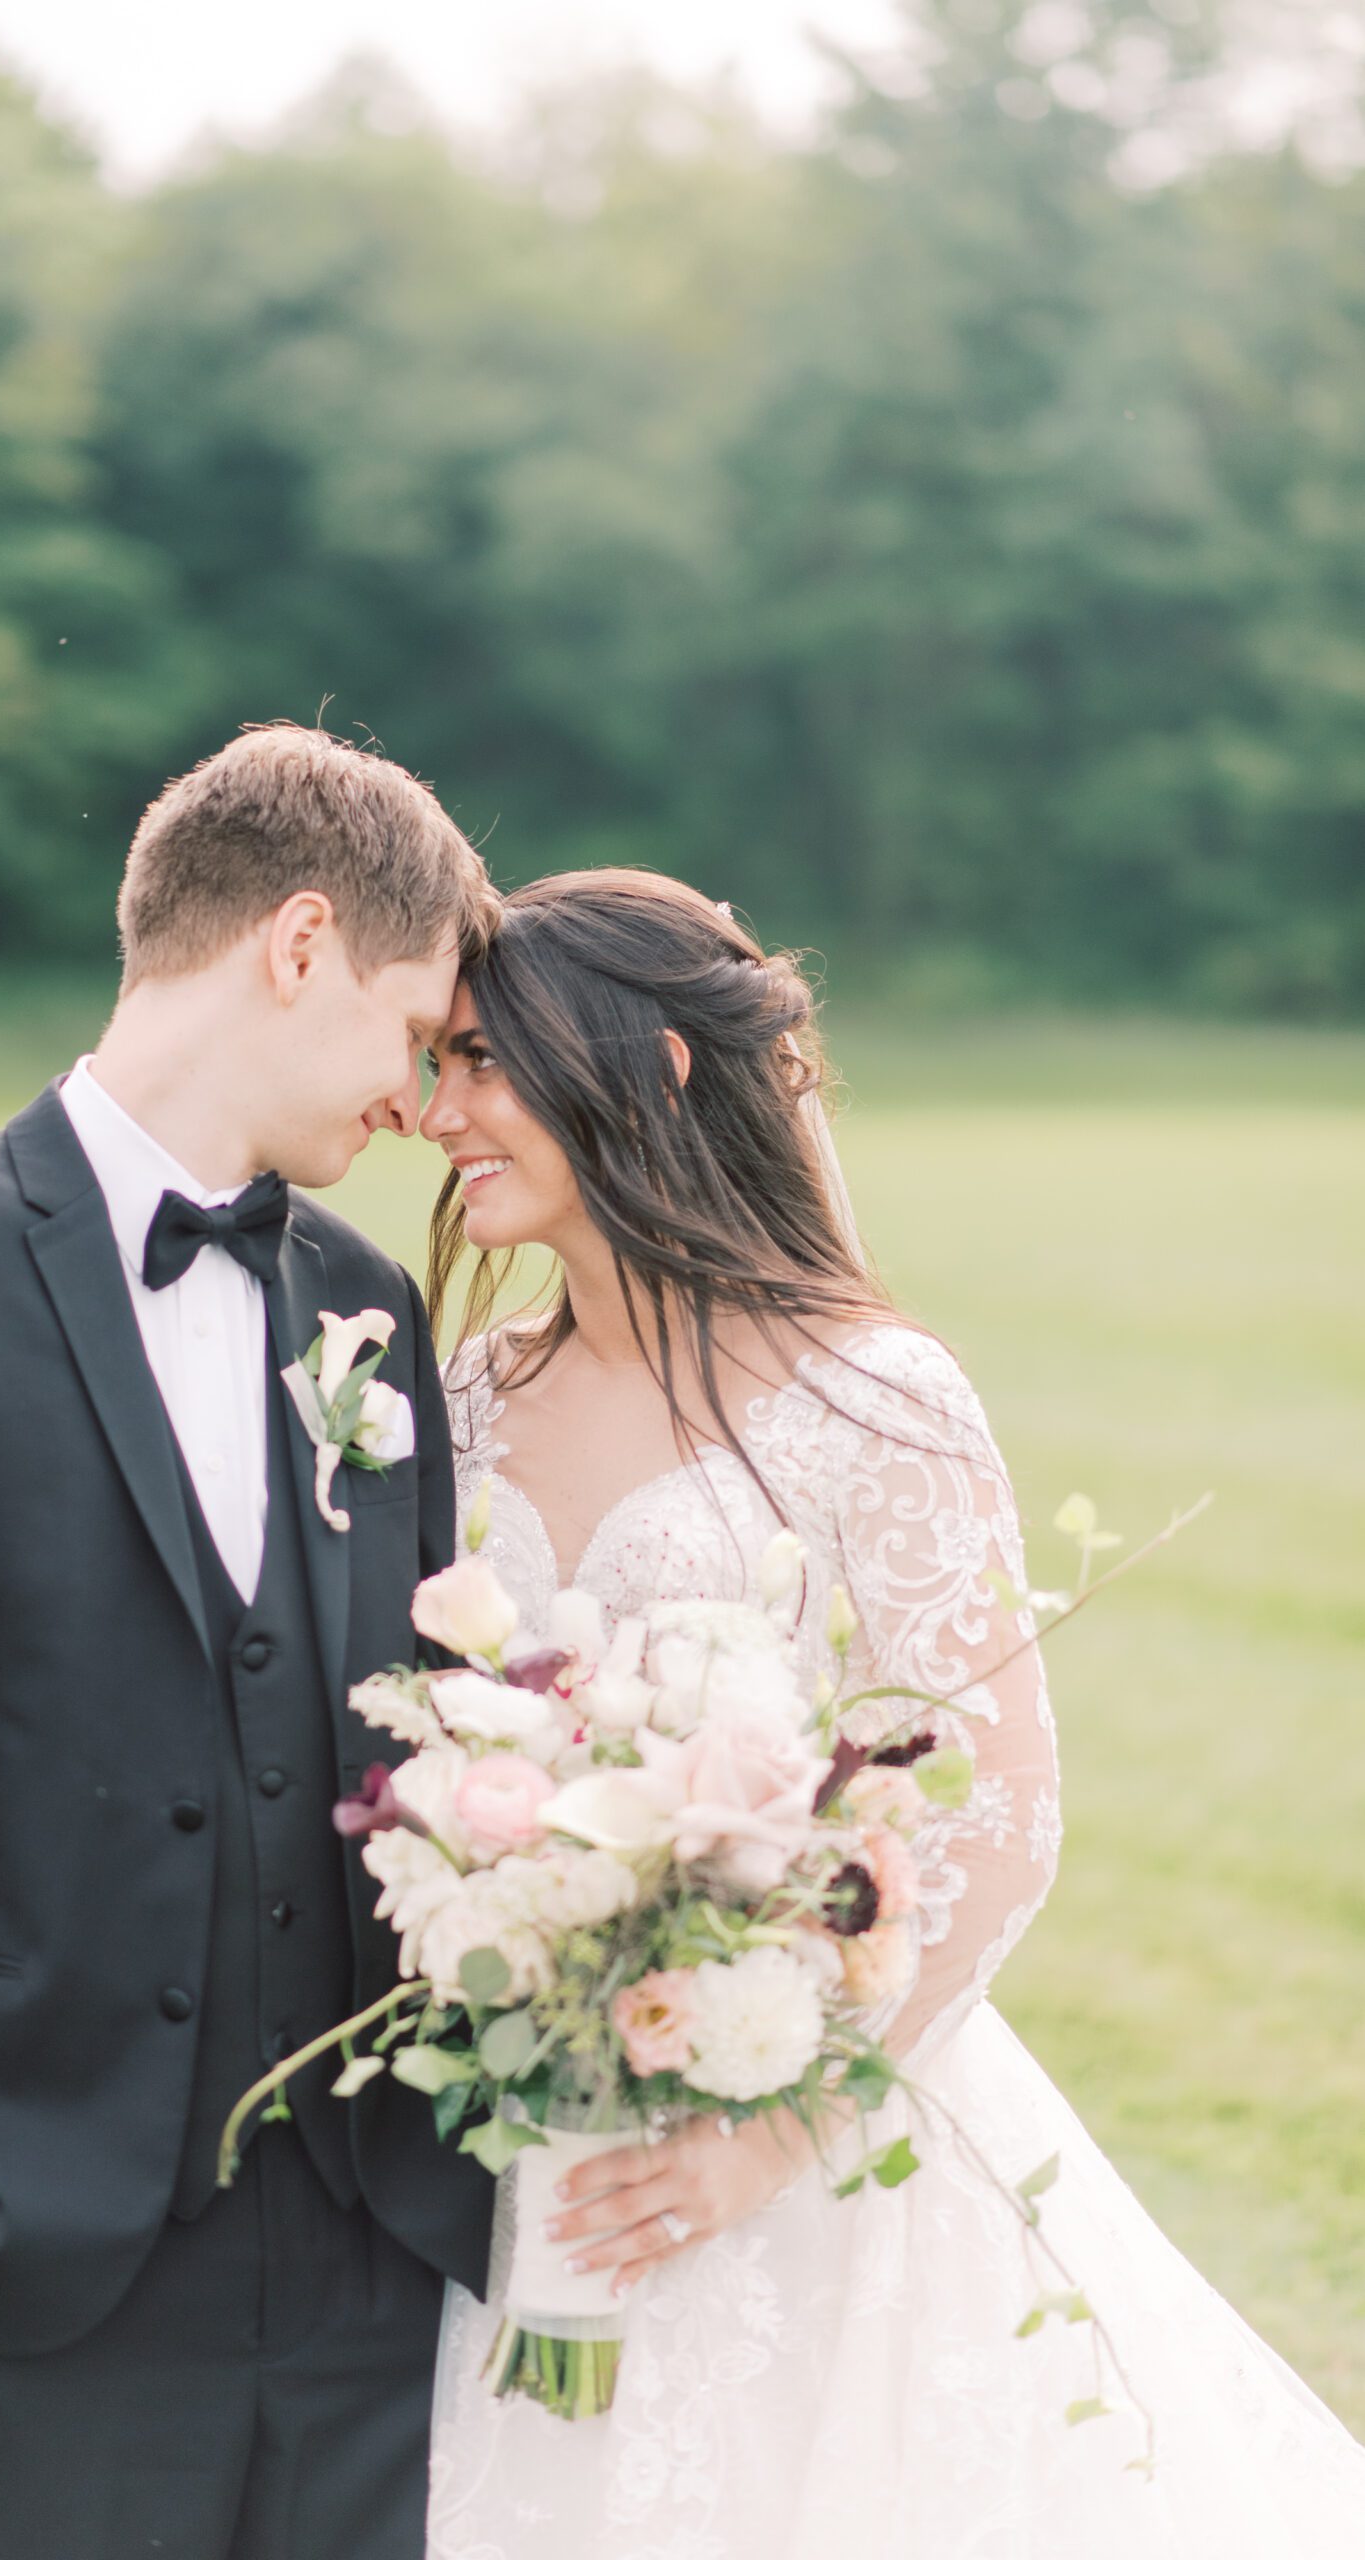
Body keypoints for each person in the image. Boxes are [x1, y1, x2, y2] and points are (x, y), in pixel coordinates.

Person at [416, 869, 1365, 2558]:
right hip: (522, 2114)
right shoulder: (466, 1393)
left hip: (794, 2141)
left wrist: (766, 2136)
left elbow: (998, 1817)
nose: (437, 1113)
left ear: (650, 1069)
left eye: (485, 1063)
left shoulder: (875, 1394)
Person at [0, 726, 499, 2560]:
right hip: (25, 2262)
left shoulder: (366, 1308)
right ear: (297, 947)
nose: (423, 1097)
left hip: (374, 2270)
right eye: (414, 1029)